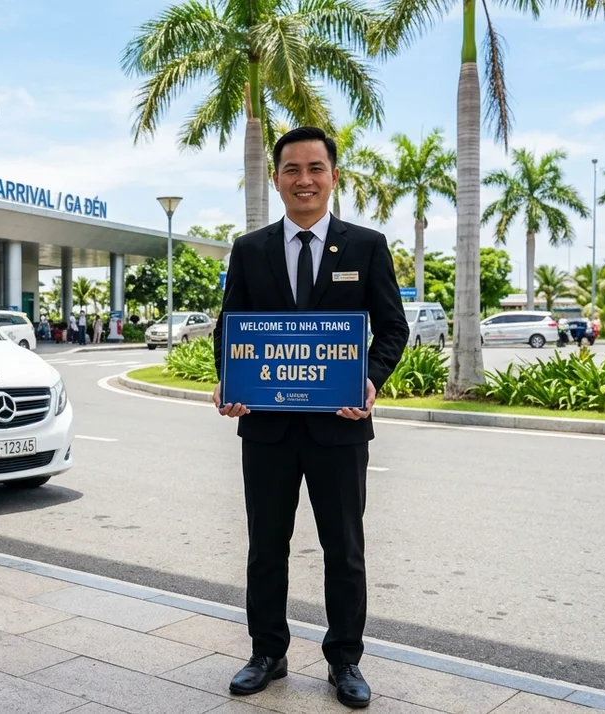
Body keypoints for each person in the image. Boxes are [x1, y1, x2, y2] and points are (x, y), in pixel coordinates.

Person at [211, 126, 409, 708]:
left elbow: (392, 328)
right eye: (292, 170)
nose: (304, 180)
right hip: (267, 427)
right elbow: (231, 327)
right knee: (265, 546)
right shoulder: (249, 250)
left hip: (340, 427)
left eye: (315, 168)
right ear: (276, 179)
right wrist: (229, 378)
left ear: (333, 176)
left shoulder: (367, 246)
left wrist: (369, 380)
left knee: (344, 549)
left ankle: (345, 660)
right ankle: (267, 652)